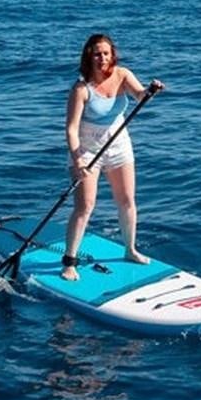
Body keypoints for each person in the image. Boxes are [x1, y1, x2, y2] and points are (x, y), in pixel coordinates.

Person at [62, 33, 164, 281]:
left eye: (106, 53)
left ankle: (130, 250)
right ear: (89, 56)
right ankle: (69, 262)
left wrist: (150, 91)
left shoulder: (122, 75)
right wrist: (78, 161)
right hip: (87, 150)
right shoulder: (81, 89)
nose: (102, 58)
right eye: (97, 54)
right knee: (85, 206)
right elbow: (71, 129)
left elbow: (139, 95)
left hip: (119, 145)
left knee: (127, 200)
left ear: (112, 55)